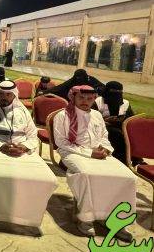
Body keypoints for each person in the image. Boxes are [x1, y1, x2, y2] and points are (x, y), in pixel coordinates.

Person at [53, 85, 136, 239]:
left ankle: (116, 220)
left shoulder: (97, 115)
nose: (85, 101)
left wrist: (106, 149)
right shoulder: (63, 115)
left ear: (94, 99)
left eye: (90, 98)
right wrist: (89, 153)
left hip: (99, 153)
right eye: (81, 97)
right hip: (73, 153)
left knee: (127, 177)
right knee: (87, 175)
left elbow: (104, 136)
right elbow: (61, 142)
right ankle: (85, 219)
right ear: (73, 97)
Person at [0, 81, 57, 227]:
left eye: (8, 94)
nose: (4, 97)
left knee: (48, 179)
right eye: (1, 94)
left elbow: (33, 135)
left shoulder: (22, 111)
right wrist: (0, 146)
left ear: (14, 95)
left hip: (22, 150)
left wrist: (24, 147)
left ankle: (27, 214)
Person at [94, 81, 138, 164]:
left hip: (121, 128)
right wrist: (105, 120)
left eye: (119, 92)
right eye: (113, 92)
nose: (116, 95)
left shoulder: (125, 103)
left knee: (132, 134)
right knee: (116, 133)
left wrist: (121, 120)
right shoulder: (98, 102)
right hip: (101, 128)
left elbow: (130, 120)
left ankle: (134, 158)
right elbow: (92, 118)